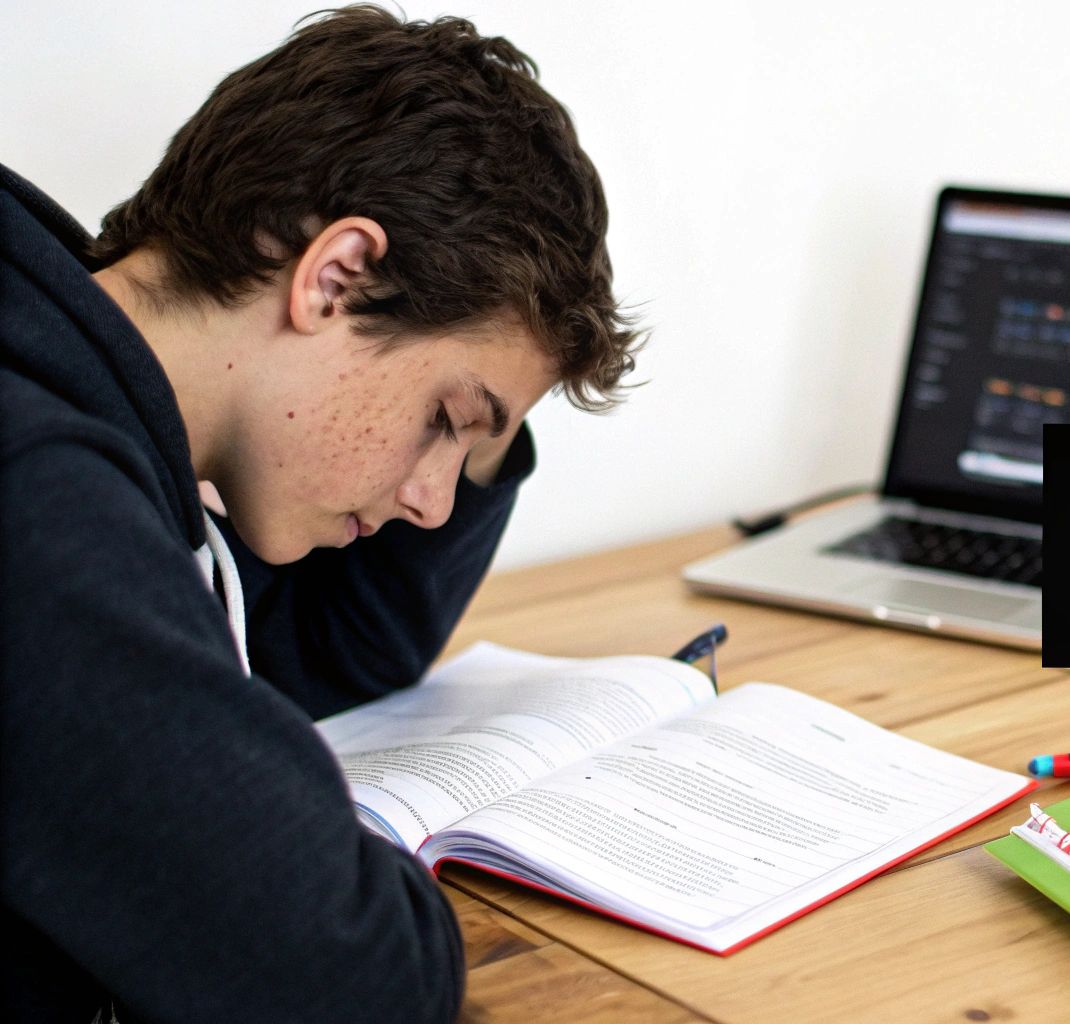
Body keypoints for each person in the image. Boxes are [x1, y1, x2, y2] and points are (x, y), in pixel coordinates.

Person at [0, 7, 637, 1021]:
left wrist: (482, 412)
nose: (434, 501)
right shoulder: (38, 492)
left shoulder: (79, 384)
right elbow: (355, 979)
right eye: (444, 419)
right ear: (335, 277)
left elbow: (328, 651)